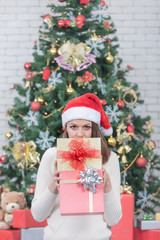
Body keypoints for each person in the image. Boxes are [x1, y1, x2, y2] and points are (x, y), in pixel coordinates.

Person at [31, 93, 122, 240]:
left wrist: (107, 186)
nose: (80, 134)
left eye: (86, 127)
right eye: (73, 127)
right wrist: (53, 187)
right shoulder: (52, 156)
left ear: (94, 129)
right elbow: (38, 215)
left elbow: (113, 220)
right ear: (66, 128)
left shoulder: (109, 159)